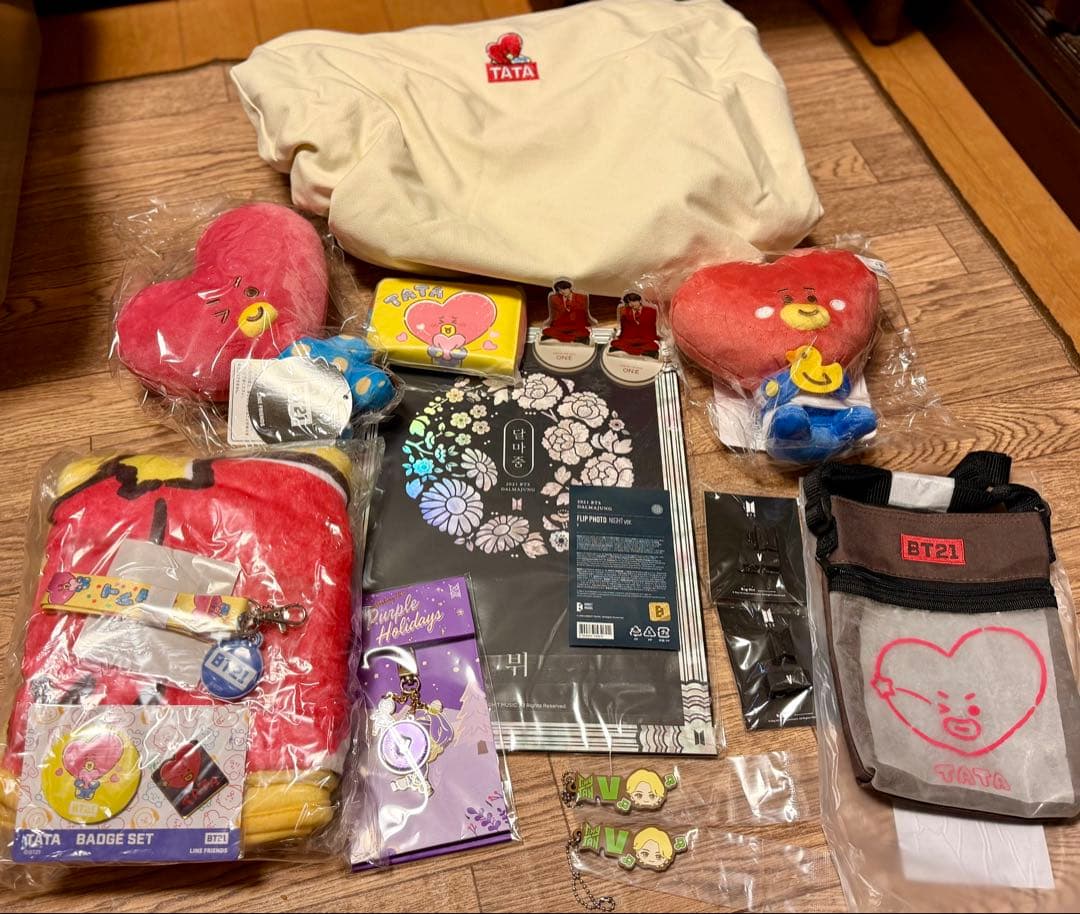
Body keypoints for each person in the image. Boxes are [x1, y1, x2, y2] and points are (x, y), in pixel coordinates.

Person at [609, 292, 659, 358]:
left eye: (633, 301)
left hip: (646, 339)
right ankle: (643, 352)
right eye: (629, 302)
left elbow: (656, 326)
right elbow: (623, 327)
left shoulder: (651, 311)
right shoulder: (624, 312)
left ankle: (637, 351)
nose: (631, 304)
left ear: (640, 301)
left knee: (653, 346)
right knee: (615, 343)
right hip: (629, 339)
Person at [542, 279, 592, 344]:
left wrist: (591, 322)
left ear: (570, 288)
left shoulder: (582, 297)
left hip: (576, 326)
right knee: (547, 331)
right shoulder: (554, 298)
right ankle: (572, 339)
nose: (562, 292)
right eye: (559, 290)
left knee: (583, 332)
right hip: (561, 326)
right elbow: (553, 316)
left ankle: (565, 338)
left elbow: (585, 313)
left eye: (564, 289)